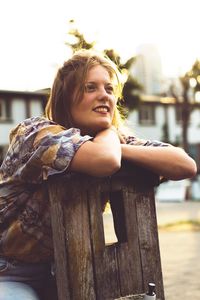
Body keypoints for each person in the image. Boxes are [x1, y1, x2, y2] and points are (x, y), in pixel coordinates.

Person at [0, 49, 197, 300]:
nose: (104, 95)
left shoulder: (111, 141)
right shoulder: (36, 133)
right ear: (65, 97)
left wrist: (114, 140)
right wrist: (108, 135)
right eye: (90, 87)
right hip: (9, 272)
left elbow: (184, 164)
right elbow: (105, 161)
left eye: (109, 89)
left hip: (66, 271)